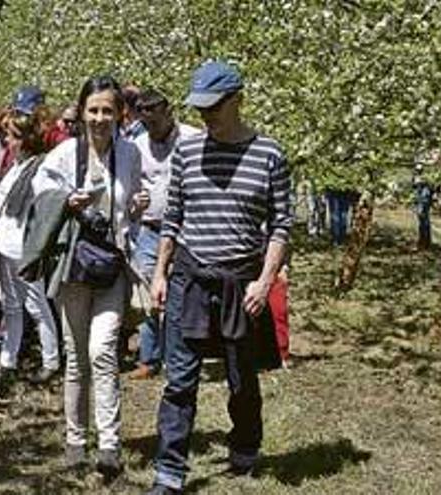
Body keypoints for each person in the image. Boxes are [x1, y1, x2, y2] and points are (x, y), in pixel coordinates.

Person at [145, 60, 292, 495]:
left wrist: (265, 282)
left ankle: (245, 447)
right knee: (180, 381)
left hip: (241, 282)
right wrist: (160, 274)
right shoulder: (187, 152)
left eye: (214, 106)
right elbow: (173, 218)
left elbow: (282, 225)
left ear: (237, 100)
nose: (205, 114)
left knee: (241, 377)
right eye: (200, 107)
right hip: (190, 278)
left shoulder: (269, 154)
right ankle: (169, 472)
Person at [31, 75, 149, 477]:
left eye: (107, 111)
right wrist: (66, 200)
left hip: (112, 265)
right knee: (76, 356)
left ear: (120, 114)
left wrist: (137, 204)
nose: (100, 118)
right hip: (74, 267)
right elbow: (38, 195)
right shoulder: (65, 154)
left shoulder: (130, 154)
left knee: (103, 351)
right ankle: (76, 441)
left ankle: (110, 444)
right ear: (82, 112)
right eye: (93, 110)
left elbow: (129, 210)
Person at [0, 107, 60, 384]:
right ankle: (7, 361)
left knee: (36, 305)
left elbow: (46, 207)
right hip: (5, 243)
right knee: (11, 305)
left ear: (24, 138)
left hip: (24, 248)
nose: (7, 141)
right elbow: (7, 202)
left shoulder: (41, 168)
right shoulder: (16, 166)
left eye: (11, 136)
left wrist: (39, 246)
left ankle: (51, 360)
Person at [128, 88, 200, 380]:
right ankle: (149, 357)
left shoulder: (193, 139)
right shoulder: (138, 145)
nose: (152, 130)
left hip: (185, 232)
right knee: (148, 296)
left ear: (169, 113)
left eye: (156, 123)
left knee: (178, 296)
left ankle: (176, 358)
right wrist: (136, 202)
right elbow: (131, 187)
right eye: (146, 124)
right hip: (149, 229)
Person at [413, 157, 437, 249]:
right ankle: (424, 241)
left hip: (425, 195)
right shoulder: (418, 175)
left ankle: (424, 242)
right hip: (421, 195)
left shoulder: (428, 176)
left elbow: (432, 185)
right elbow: (415, 185)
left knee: (423, 217)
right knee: (422, 218)